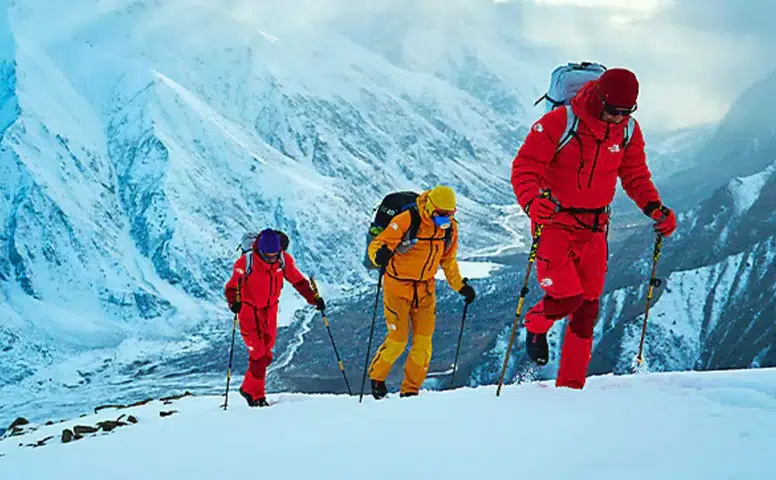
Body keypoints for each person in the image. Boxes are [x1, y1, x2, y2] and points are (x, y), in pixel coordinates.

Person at [511, 68, 677, 389]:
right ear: (599, 98)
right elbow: (525, 167)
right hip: (555, 222)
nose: (618, 118)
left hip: (596, 227)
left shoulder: (628, 130)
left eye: (626, 112)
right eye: (613, 111)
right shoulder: (560, 122)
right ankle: (535, 324)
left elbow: (635, 175)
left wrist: (654, 208)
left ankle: (571, 388)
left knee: (588, 308)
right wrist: (531, 201)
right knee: (566, 297)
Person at [367, 185, 476, 399]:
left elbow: (448, 260)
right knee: (398, 340)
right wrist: (378, 256)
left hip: (425, 289)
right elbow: (378, 245)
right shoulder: (407, 219)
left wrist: (460, 286)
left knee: (423, 343)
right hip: (397, 286)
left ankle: (410, 390)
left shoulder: (449, 229)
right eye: (441, 214)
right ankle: (377, 377)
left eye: (450, 214)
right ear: (430, 207)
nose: (445, 219)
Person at [224, 228, 325, 407]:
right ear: (260, 251)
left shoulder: (283, 260)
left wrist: (313, 298)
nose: (272, 259)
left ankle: (247, 388)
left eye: (275, 255)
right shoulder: (245, 263)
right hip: (248, 310)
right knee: (258, 353)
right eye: (268, 256)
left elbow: (298, 281)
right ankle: (257, 396)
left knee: (266, 355)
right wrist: (234, 303)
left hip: (270, 310)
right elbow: (231, 287)